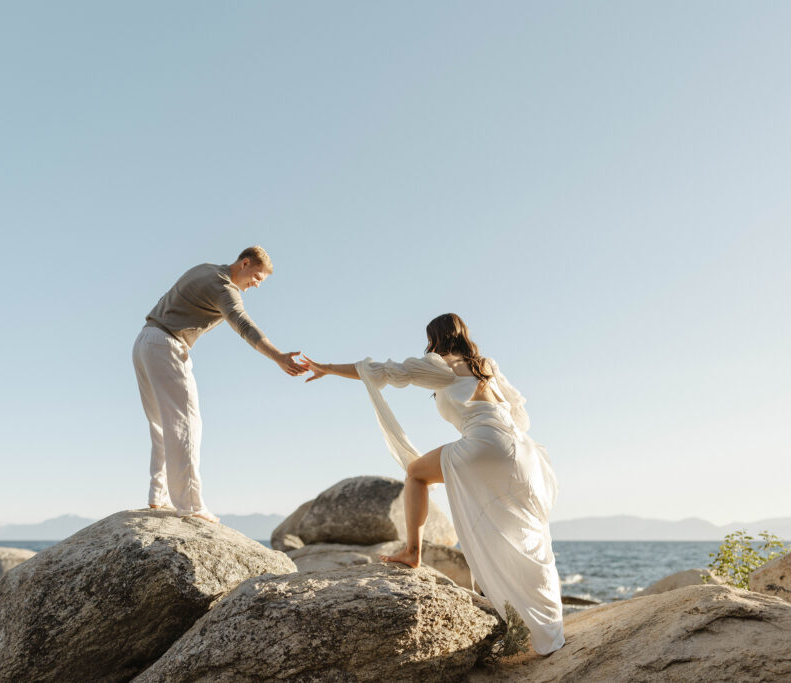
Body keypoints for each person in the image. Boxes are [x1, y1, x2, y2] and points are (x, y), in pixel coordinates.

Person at [301, 313, 564, 655]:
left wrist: (326, 367)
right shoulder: (486, 364)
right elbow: (518, 412)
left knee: (415, 473)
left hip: (484, 443)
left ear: (434, 338)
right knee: (524, 530)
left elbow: (378, 370)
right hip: (519, 449)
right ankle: (547, 621)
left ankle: (412, 551)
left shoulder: (438, 365)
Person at [133, 246, 306, 523]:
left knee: (161, 424)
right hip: (167, 344)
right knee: (187, 423)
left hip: (146, 339)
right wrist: (278, 357)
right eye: (257, 277)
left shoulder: (204, 268)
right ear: (245, 263)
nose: (256, 284)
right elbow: (243, 325)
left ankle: (158, 496)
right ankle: (191, 505)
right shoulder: (224, 288)